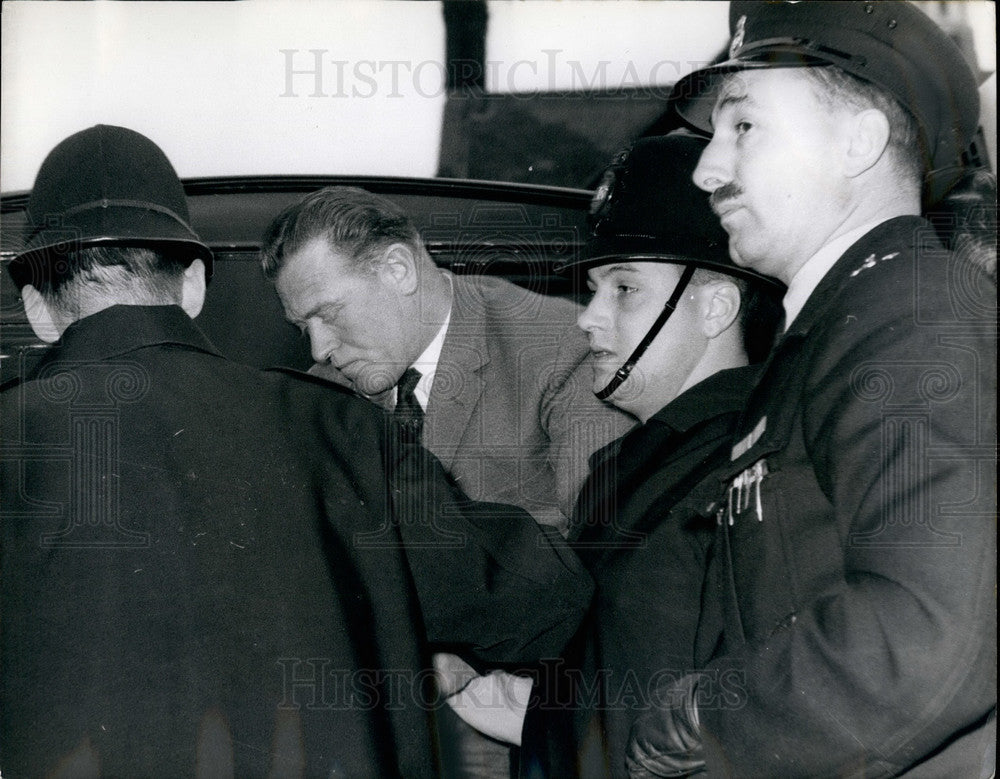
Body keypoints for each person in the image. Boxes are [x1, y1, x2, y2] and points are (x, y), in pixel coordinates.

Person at [0, 125, 593, 778]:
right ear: (194, 284)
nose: (318, 348)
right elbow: (545, 597)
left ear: (36, 309)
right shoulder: (339, 429)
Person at [627, 3, 996, 777]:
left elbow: (924, 636)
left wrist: (704, 717)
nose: (705, 170)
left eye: (743, 126)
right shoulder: (835, 332)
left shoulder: (912, 320)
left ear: (859, 142)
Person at [260, 184, 633, 777]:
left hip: (534, 714)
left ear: (399, 269)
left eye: (328, 313)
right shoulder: (324, 397)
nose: (320, 348)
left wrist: (456, 652)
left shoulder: (562, 347)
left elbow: (600, 556)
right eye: (302, 325)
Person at [440, 134, 782, 778]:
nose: (587, 318)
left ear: (716, 307)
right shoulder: (640, 463)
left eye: (625, 288)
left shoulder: (742, 465)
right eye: (596, 288)